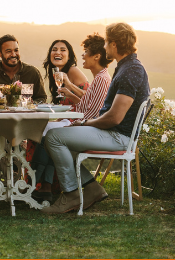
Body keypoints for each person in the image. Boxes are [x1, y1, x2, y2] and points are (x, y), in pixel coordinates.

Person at [41, 23, 150, 214]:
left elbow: (115, 118)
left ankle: (71, 194)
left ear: (114, 44)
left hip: (118, 136)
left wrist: (86, 123)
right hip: (113, 133)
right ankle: (92, 188)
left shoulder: (131, 70)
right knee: (63, 141)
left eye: (107, 42)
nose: (105, 47)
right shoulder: (126, 67)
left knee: (53, 137)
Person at [29, 33, 113, 203]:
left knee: (51, 136)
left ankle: (38, 181)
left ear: (96, 56)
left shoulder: (102, 79)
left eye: (86, 52)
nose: (83, 55)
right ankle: (43, 184)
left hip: (93, 130)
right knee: (49, 133)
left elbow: (94, 113)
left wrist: (73, 123)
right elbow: (86, 105)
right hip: (85, 125)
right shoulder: (99, 78)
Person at [0, 34, 47, 104]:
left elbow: (41, 98)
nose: (13, 54)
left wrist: (32, 104)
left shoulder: (32, 72)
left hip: (24, 115)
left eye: (16, 50)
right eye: (8, 51)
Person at [42, 39, 87, 105]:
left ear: (69, 56)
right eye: (54, 50)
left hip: (80, 115)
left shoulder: (73, 71)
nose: (57, 52)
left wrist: (69, 84)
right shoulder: (55, 73)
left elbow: (90, 98)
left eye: (63, 50)